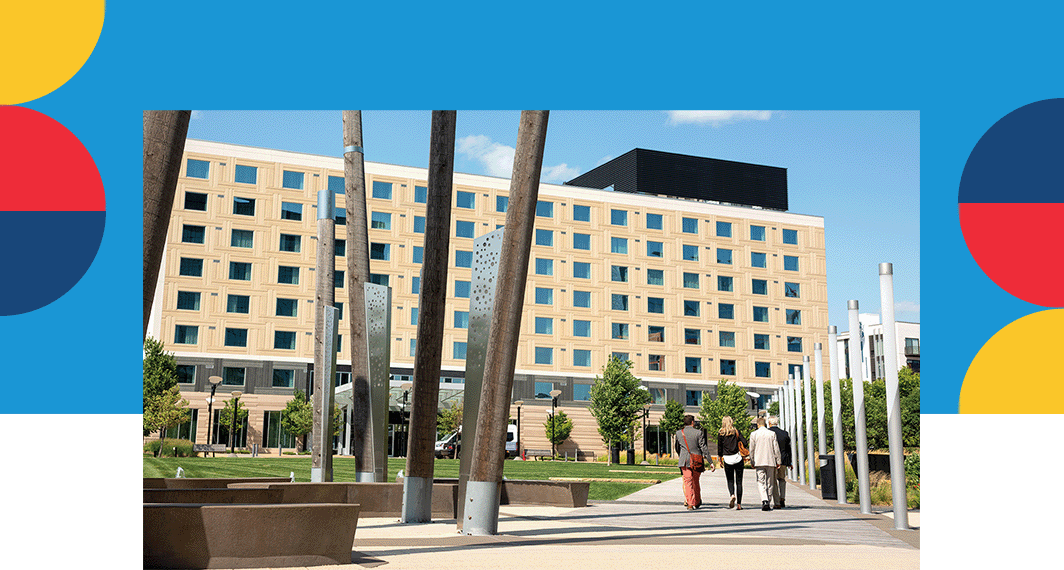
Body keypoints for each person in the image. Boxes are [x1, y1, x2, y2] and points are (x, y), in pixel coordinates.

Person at [675, 414, 713, 510]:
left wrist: (681, 455)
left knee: (688, 482)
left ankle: (690, 503)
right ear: (692, 422)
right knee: (695, 481)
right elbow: (703, 448)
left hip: (684, 460)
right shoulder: (698, 433)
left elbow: (677, 447)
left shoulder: (679, 433)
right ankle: (696, 501)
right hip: (696, 460)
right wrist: (710, 461)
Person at [748, 416, 782, 511]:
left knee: (760, 481)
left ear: (758, 424)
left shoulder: (754, 434)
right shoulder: (771, 434)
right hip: (770, 461)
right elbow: (776, 448)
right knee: (770, 482)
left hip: (759, 461)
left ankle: (764, 499)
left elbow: (752, 449)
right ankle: (769, 500)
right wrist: (778, 460)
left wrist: (752, 460)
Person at [717, 416, 749, 510]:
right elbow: (745, 443)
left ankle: (732, 495)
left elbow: (719, 447)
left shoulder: (721, 433)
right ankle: (739, 504)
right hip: (738, 458)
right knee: (739, 482)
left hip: (727, 459)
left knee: (730, 480)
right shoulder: (736, 431)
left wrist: (720, 457)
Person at [768, 416, 791, 508]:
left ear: (769, 423)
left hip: (772, 460)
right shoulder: (784, 433)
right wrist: (790, 462)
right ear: (777, 423)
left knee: (773, 481)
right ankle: (782, 498)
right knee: (782, 479)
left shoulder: (768, 433)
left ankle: (776, 502)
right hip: (783, 460)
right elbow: (788, 449)